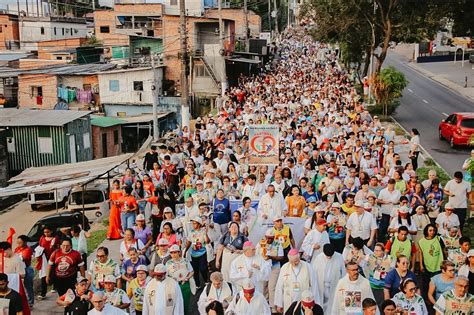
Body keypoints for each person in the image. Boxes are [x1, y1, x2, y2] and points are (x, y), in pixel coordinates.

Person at [274, 249, 320, 313]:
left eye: (297, 261)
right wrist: (279, 304)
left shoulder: (307, 267)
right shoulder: (284, 268)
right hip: (288, 299)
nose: (295, 263)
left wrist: (316, 303)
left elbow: (314, 285)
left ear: (299, 258)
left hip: (303, 299)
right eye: (293, 261)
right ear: (289, 260)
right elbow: (279, 286)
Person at [312, 244, 346, 313]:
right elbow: (314, 273)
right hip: (322, 286)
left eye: (331, 256)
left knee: (333, 303)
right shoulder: (318, 258)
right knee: (322, 303)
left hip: (334, 285)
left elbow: (343, 272)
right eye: (327, 256)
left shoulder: (339, 257)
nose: (329, 257)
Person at [418, 224, 444, 298]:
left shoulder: (438, 239)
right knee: (426, 283)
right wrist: (421, 265)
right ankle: (427, 298)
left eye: (433, 230)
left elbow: (444, 250)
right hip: (427, 265)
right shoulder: (421, 241)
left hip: (438, 264)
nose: (432, 232)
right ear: (426, 231)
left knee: (438, 282)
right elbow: (421, 254)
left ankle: (437, 298)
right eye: (430, 230)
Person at [166, 244, 194, 314]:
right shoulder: (168, 263)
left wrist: (187, 278)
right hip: (173, 285)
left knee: (185, 303)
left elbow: (192, 271)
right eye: (171, 253)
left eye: (175, 252)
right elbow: (166, 275)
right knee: (174, 303)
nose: (173, 254)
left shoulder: (185, 261)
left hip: (184, 284)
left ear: (179, 252)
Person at [184, 216, 210, 288]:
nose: (193, 225)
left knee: (203, 268)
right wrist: (185, 251)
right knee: (195, 270)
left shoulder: (203, 231)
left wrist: (205, 234)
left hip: (202, 253)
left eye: (195, 223)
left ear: (199, 224)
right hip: (194, 254)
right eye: (193, 223)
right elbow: (189, 242)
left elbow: (207, 241)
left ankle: (206, 280)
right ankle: (197, 285)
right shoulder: (191, 232)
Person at [37, 225, 60, 299]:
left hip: (53, 258)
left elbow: (57, 248)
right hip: (44, 259)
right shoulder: (42, 238)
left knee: (53, 273)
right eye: (45, 232)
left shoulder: (55, 238)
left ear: (51, 231)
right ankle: (43, 293)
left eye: (48, 232)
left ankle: (55, 286)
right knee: (44, 275)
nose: (46, 233)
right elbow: (39, 247)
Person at [14, 235, 33, 306]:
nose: (18, 244)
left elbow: (22, 259)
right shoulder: (17, 249)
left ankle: (30, 303)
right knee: (19, 286)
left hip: (27, 269)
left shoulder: (28, 249)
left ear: (25, 242)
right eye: (17, 242)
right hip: (19, 269)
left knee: (28, 287)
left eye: (20, 242)